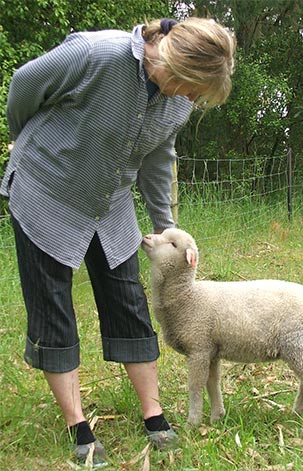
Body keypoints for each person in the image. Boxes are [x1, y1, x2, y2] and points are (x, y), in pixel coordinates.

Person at [1, 17, 236, 467]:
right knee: (53, 305)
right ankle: (78, 427)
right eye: (189, 86)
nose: (189, 99)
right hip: (44, 192)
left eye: (197, 96)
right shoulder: (94, 54)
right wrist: (34, 149)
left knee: (129, 299)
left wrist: (167, 227)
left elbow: (158, 157)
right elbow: (22, 88)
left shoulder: (178, 103)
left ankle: (153, 413)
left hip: (109, 203)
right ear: (170, 57)